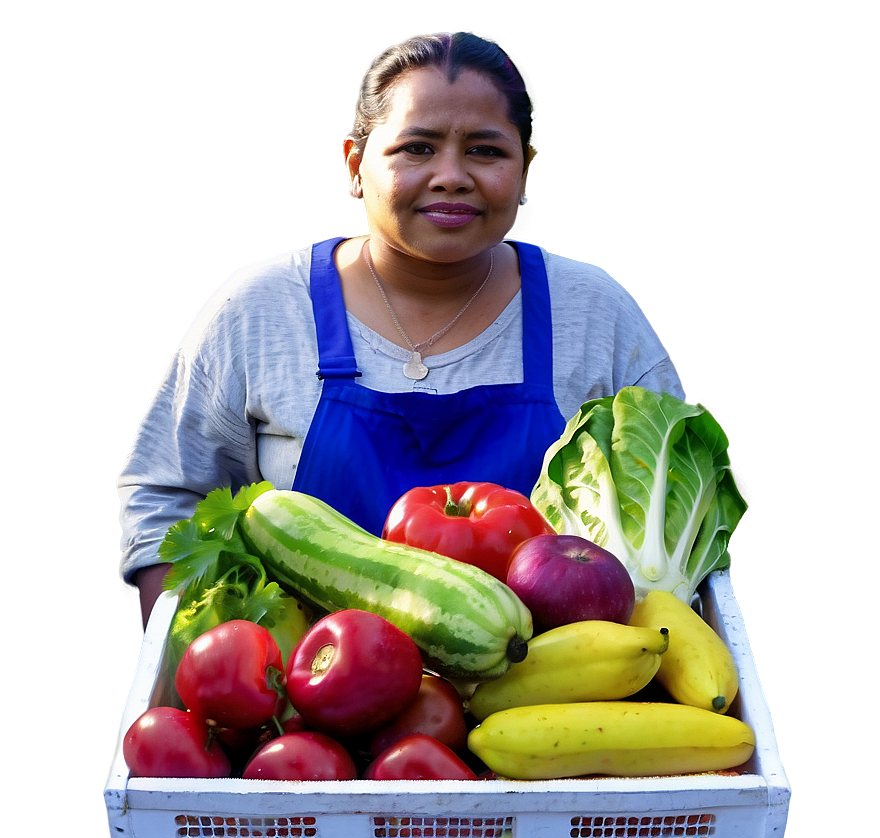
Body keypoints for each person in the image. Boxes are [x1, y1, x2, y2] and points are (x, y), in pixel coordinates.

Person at [117, 31, 683, 626]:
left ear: (525, 172)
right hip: (309, 694)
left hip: (547, 698)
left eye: (486, 151)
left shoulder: (594, 313)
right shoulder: (260, 311)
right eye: (416, 148)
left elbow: (662, 512)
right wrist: (196, 662)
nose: (451, 176)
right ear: (355, 165)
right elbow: (165, 501)